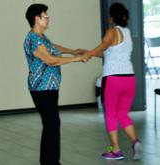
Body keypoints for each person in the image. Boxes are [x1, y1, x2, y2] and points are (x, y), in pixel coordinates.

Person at [24, 3, 90, 165]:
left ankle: (50, 160)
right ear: (36, 19)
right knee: (51, 123)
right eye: (45, 16)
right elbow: (51, 60)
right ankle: (50, 161)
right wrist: (77, 58)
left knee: (52, 123)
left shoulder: (41, 38)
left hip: (50, 87)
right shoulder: (32, 39)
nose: (48, 19)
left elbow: (53, 48)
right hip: (41, 88)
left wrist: (72, 51)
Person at [85, 2, 142, 160]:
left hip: (113, 78)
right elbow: (108, 52)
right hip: (129, 78)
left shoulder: (111, 32)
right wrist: (89, 53)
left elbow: (101, 48)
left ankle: (116, 150)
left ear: (111, 17)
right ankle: (135, 142)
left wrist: (87, 54)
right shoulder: (128, 32)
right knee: (123, 114)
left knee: (110, 114)